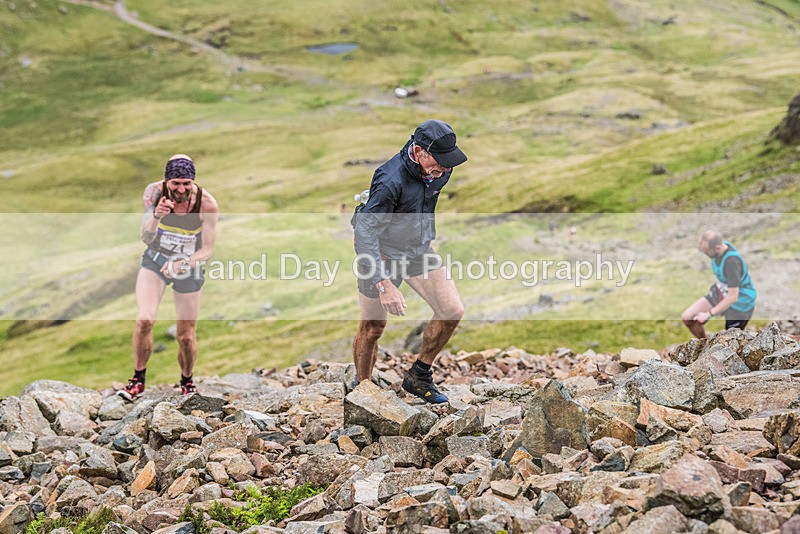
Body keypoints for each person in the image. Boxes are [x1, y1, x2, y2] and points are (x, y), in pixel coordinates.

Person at [352, 120, 467, 404]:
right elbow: (364, 233)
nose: (444, 169)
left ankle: (419, 375)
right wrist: (384, 283)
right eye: (439, 162)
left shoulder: (441, 170)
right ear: (418, 151)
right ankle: (362, 390)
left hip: (417, 251)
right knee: (373, 328)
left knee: (452, 310)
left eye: (449, 162)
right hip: (381, 253)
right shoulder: (390, 180)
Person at [117, 154, 219, 400]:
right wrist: (156, 216)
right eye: (176, 184)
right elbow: (145, 237)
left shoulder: (207, 204)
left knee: (185, 336)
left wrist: (184, 263)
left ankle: (187, 381)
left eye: (187, 183)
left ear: (193, 181)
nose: (181, 189)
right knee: (144, 320)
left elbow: (207, 250)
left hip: (188, 265)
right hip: (155, 260)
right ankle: (137, 380)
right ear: (167, 181)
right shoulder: (153, 193)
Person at [681, 230, 756, 339]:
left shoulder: (732, 262)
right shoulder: (720, 247)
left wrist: (709, 314)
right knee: (688, 317)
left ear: (717, 248)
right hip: (721, 291)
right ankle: (704, 344)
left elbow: (733, 297)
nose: (705, 254)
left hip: (741, 303)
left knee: (729, 341)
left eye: (707, 251)